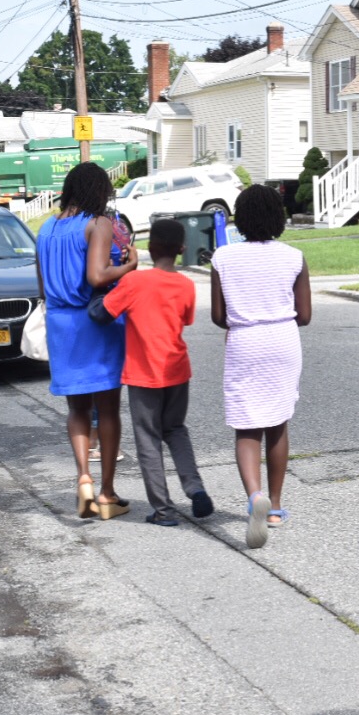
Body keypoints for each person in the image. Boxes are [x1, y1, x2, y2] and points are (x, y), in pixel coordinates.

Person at [210, 184, 311, 551]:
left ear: (241, 217)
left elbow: (219, 316)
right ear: (278, 218)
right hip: (283, 341)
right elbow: (306, 315)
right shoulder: (294, 257)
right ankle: (276, 507)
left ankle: (254, 496)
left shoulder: (223, 257)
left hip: (244, 342)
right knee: (277, 422)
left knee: (246, 426)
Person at [35, 161, 134, 521]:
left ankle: (83, 479)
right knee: (107, 409)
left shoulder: (46, 228)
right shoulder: (98, 224)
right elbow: (97, 276)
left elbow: (42, 286)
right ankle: (106, 493)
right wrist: (128, 266)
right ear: (99, 191)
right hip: (95, 322)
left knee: (77, 409)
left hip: (60, 324)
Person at [103, 218, 215, 527]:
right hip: (177, 370)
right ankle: (195, 488)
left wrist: (122, 270)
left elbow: (101, 312)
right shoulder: (186, 285)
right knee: (175, 429)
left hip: (143, 374)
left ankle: (164, 511)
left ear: (149, 248)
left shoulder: (134, 282)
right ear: (182, 249)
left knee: (148, 439)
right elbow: (186, 319)